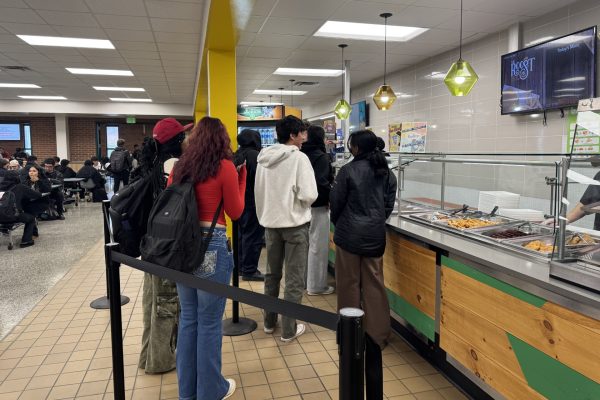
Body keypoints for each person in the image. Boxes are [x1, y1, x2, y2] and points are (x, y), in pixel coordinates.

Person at [168, 116, 245, 400]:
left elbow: (170, 202)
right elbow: (235, 212)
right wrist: (242, 179)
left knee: (189, 320)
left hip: (181, 246)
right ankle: (211, 391)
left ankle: (187, 393)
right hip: (211, 245)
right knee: (210, 322)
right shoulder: (224, 167)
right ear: (221, 140)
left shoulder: (179, 168)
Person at [330, 129, 397, 400]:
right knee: (374, 283)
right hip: (374, 237)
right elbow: (388, 206)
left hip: (348, 237)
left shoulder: (347, 171)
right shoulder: (387, 172)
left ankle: (348, 332)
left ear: (355, 147)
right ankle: (377, 334)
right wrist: (374, 223)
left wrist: (342, 224)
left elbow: (336, 204)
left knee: (348, 283)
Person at [255, 115, 318, 342]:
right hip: (294, 226)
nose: (305, 137)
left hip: (270, 225)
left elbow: (260, 192)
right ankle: (289, 330)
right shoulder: (299, 159)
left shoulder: (264, 159)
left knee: (272, 275)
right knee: (294, 279)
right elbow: (309, 194)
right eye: (302, 132)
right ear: (292, 135)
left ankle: (269, 323)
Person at [138, 117, 190, 375]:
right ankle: (159, 362)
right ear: (178, 141)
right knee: (166, 304)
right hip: (166, 246)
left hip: (151, 242)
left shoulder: (153, 165)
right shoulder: (175, 166)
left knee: (152, 302)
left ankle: (148, 356)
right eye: (185, 137)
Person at [301, 125, 335, 295]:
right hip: (318, 206)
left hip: (301, 207)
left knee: (304, 246)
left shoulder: (300, 154)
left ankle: (303, 282)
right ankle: (316, 286)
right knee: (318, 247)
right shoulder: (321, 157)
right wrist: (330, 197)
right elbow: (321, 182)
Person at [233, 129, 265, 281]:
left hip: (238, 201)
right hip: (253, 202)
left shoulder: (235, 155)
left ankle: (239, 266)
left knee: (240, 235)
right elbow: (260, 181)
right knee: (253, 236)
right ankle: (250, 270)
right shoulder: (256, 156)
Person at [0, 171, 40, 248]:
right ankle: (26, 241)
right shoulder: (20, 187)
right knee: (31, 218)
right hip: (12, 216)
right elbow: (37, 195)